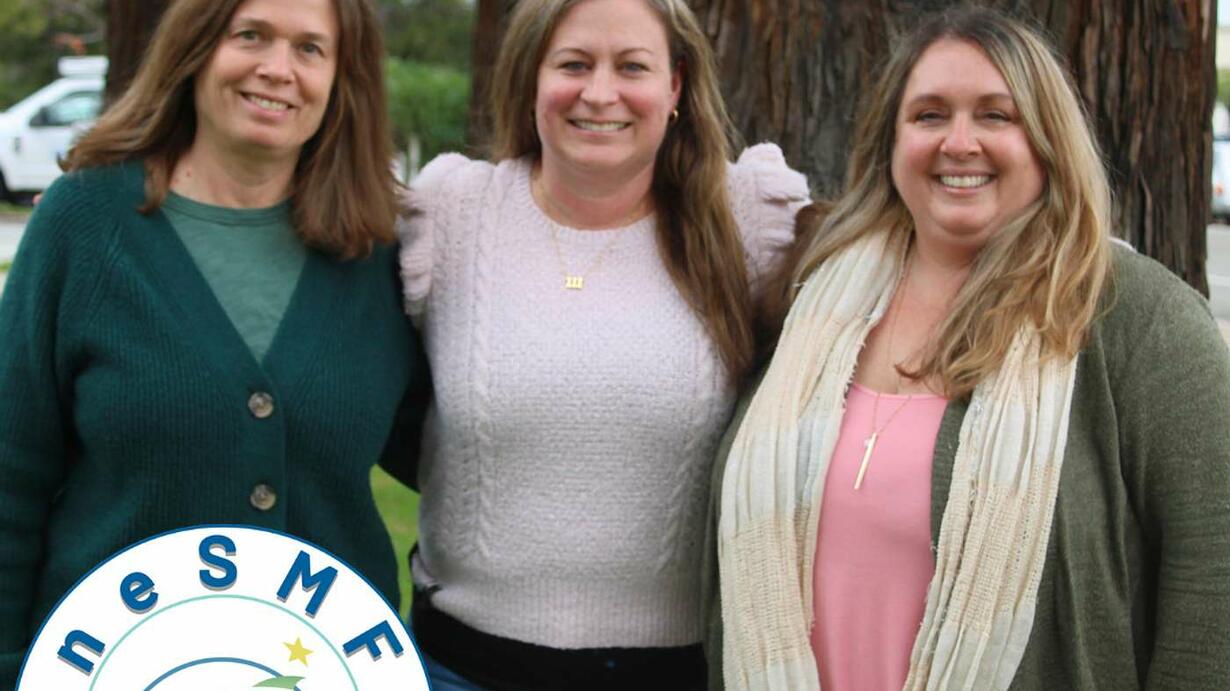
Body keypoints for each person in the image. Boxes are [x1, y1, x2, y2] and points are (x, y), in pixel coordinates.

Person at [705, 7, 1230, 691]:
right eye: (929, 115)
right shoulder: (814, 303)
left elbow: (1215, 568)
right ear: (891, 142)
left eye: (995, 115)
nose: (959, 142)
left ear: (1046, 139)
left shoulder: (1137, 318)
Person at [0, 0, 428, 683]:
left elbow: (454, 453)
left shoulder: (379, 251)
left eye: (310, 48)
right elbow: (11, 473)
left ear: (342, 79)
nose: (278, 69)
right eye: (250, 36)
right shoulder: (83, 224)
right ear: (195, 49)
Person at [396, 0, 809, 688]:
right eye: (573, 64)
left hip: (676, 675)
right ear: (531, 77)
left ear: (675, 87)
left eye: (632, 67)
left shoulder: (747, 220)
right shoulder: (452, 214)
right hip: (459, 668)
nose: (599, 92)